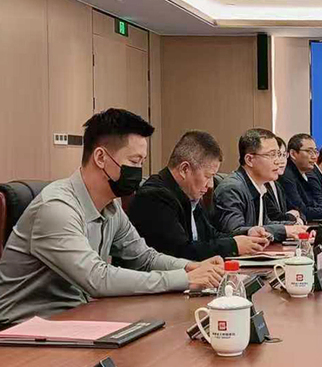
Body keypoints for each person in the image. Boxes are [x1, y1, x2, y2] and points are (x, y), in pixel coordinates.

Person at [0, 109, 224, 327]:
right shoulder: (56, 208)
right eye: (134, 161)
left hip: (76, 317)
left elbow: (144, 258)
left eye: (142, 162)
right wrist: (184, 279)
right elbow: (97, 278)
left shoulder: (111, 206)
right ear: (100, 157)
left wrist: (192, 268)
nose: (138, 170)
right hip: (23, 330)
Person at [128, 131, 270, 261]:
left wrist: (247, 235)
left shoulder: (189, 195)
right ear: (184, 169)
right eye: (207, 176)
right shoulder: (154, 197)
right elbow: (180, 252)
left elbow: (211, 236)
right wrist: (233, 246)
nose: (210, 185)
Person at [213, 128, 307, 243]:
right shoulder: (232, 189)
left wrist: (294, 228)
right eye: (271, 155)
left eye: (278, 154)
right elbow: (235, 232)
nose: (278, 161)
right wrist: (284, 230)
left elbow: (264, 224)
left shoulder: (259, 187)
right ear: (249, 160)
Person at [280, 133, 322, 221]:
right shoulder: (287, 176)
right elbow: (303, 211)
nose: (314, 157)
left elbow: (313, 204)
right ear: (293, 154)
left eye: (315, 152)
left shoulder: (304, 174)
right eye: (309, 151)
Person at [263, 136, 303, 225]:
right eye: (277, 155)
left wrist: (298, 217)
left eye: (284, 155)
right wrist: (293, 217)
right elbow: (275, 217)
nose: (281, 161)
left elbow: (298, 210)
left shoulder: (278, 185)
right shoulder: (262, 185)